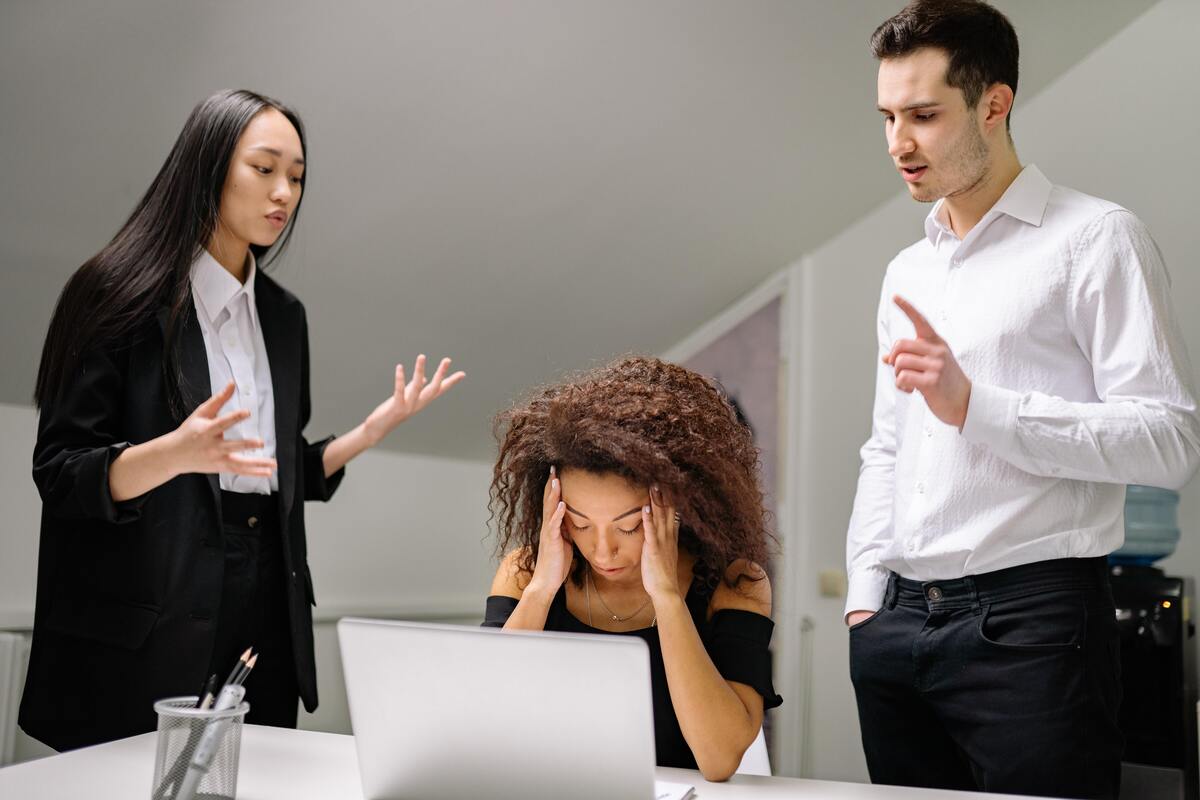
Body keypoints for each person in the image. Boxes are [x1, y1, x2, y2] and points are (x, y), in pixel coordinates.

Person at [21, 89, 465, 751]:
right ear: (209, 167)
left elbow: (276, 477)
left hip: (264, 601)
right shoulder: (114, 293)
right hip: (150, 600)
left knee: (254, 772)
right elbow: (60, 473)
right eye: (264, 168)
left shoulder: (285, 316)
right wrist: (174, 452)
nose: (284, 192)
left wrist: (367, 435)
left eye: (297, 176)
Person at [845, 2, 1200, 797]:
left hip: (1034, 629)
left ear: (994, 104)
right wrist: (866, 603)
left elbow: (1170, 440)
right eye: (889, 116)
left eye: (925, 115)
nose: (899, 143)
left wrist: (977, 405)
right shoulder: (910, 270)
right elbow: (887, 447)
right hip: (897, 628)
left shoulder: (1096, 239)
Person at [483, 356, 781, 781]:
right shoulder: (525, 572)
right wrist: (541, 591)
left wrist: (667, 596)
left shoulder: (736, 584)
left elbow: (718, 761)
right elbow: (480, 717)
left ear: (677, 505)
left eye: (628, 526)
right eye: (580, 523)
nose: (602, 550)